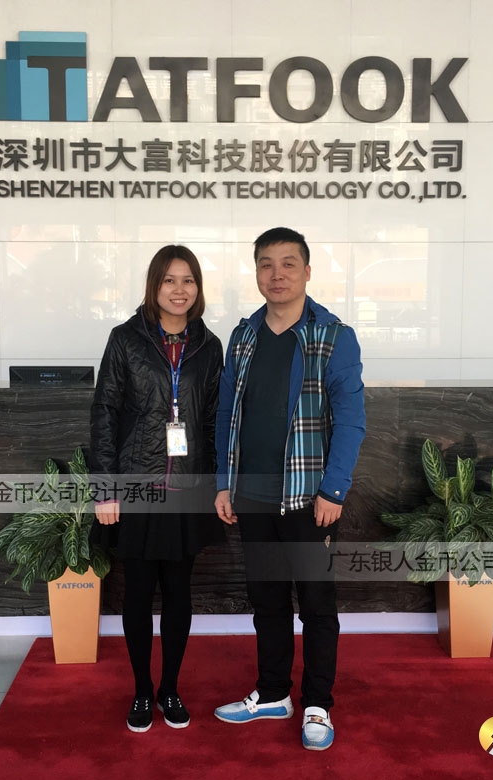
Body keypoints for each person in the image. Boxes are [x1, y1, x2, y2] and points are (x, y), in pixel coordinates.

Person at [213, 227, 365, 751]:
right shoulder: (244, 336)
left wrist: (334, 491)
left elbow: (351, 421)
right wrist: (223, 484)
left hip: (309, 498)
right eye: (266, 264)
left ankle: (317, 703)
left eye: (288, 263)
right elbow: (226, 415)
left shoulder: (334, 336)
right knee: (268, 601)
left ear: (307, 271)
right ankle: (274, 692)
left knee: (317, 604)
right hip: (253, 496)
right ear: (256, 272)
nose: (276, 274)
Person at [90, 245, 224, 733]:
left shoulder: (208, 346)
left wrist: (217, 485)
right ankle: (142, 691)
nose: (179, 289)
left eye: (188, 280)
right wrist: (105, 489)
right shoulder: (125, 339)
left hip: (186, 487)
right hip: (137, 484)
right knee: (139, 592)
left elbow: (213, 421)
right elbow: (104, 414)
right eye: (169, 280)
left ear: (198, 288)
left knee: (179, 591)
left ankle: (170, 688)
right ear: (154, 286)